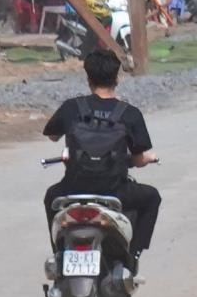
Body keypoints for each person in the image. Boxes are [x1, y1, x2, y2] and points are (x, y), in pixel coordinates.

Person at [40, 44, 162, 273]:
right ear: (117, 77)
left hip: (72, 190)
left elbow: (52, 135)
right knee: (152, 197)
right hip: (115, 192)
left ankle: (59, 255)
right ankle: (132, 256)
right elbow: (137, 160)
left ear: (88, 78)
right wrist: (148, 158)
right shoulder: (129, 113)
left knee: (50, 197)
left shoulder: (72, 107)